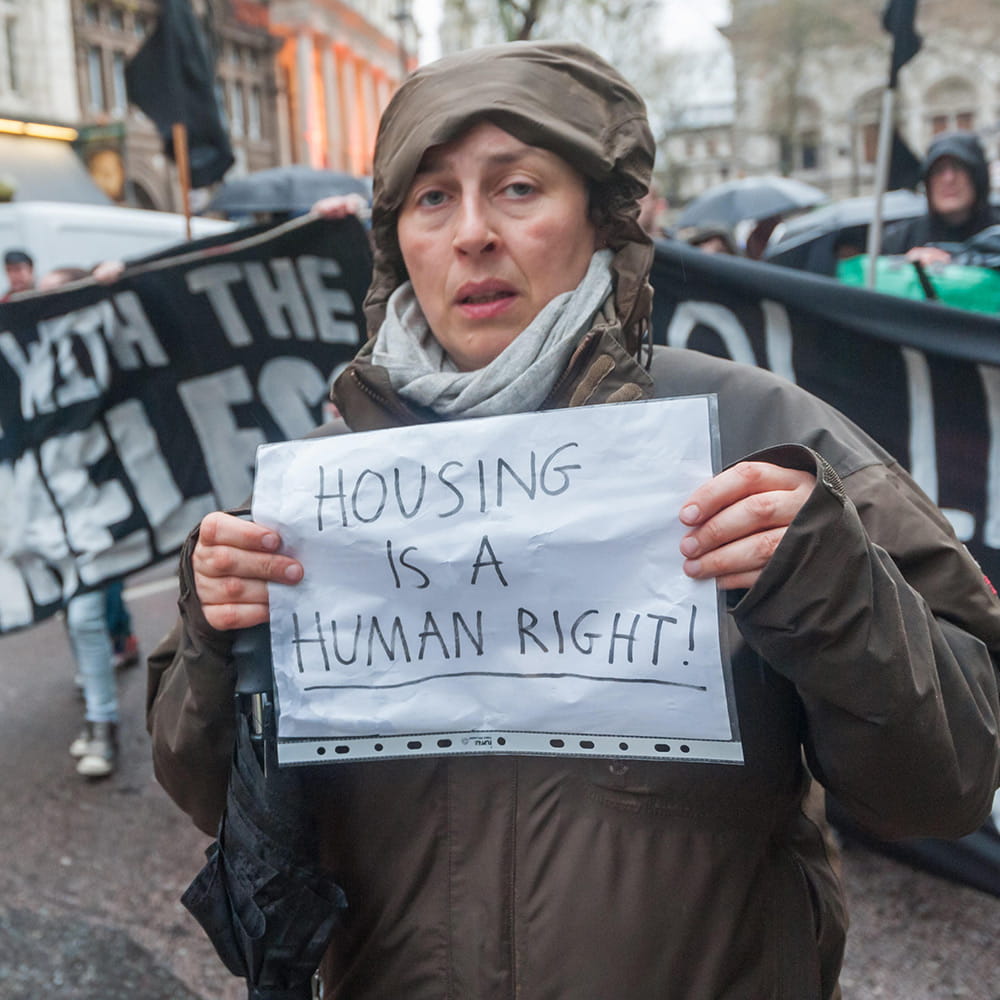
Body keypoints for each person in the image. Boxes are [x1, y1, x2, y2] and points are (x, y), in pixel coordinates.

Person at [147, 42, 1000, 1000]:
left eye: (516, 188)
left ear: (601, 218)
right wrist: (217, 640)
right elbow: (201, 789)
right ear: (397, 244)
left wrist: (826, 583)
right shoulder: (321, 489)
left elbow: (947, 781)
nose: (471, 233)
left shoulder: (761, 433)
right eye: (432, 198)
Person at [882, 131, 1000, 266]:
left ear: (978, 176)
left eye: (958, 167)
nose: (948, 179)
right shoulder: (899, 240)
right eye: (938, 170)